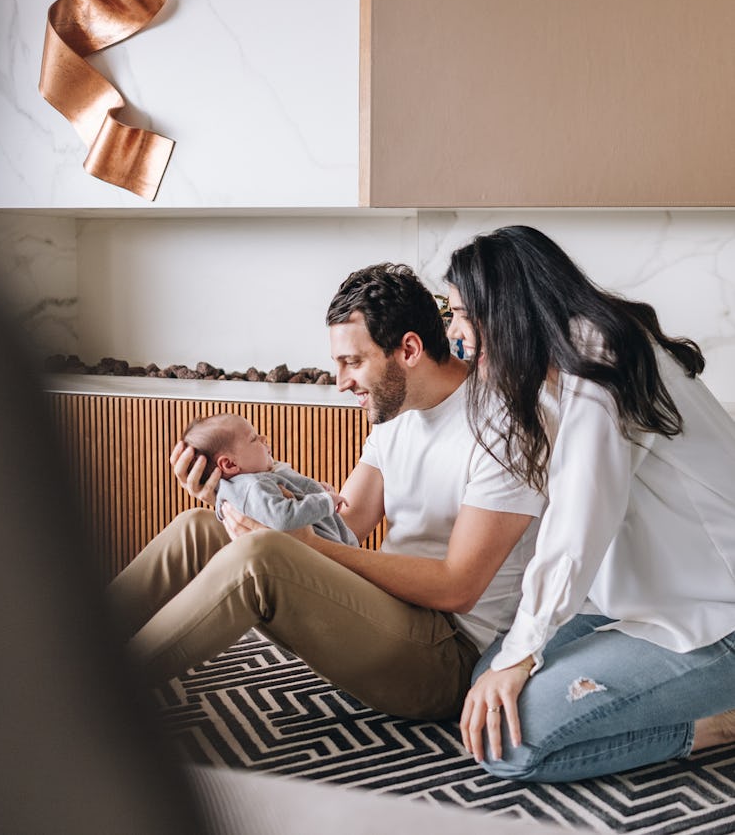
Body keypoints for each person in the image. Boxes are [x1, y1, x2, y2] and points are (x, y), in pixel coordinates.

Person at [106, 263, 545, 720]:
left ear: (409, 349)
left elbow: (459, 588)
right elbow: (347, 522)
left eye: (353, 362)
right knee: (200, 527)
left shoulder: (501, 428)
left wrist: (303, 546)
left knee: (261, 559)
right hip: (389, 617)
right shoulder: (398, 413)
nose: (341, 383)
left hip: (447, 657)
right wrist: (231, 496)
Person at [445, 225, 735, 781]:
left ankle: (716, 724)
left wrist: (526, 653)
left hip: (715, 615)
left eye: (460, 314)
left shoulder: (601, 360)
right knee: (487, 684)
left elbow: (578, 523)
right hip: (633, 602)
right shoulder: (558, 370)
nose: (454, 333)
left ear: (505, 308)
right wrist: (516, 656)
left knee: (507, 742)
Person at [182, 412, 358, 545]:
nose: (263, 438)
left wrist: (314, 489)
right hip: (326, 557)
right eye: (254, 438)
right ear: (229, 464)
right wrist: (325, 502)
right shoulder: (254, 486)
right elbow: (283, 517)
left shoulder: (254, 479)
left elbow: (289, 490)